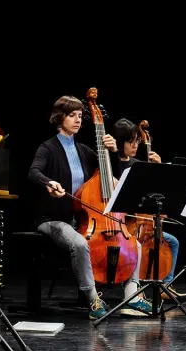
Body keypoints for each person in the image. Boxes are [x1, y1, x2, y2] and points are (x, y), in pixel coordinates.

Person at [27, 95, 153, 320]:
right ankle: (93, 298)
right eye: (71, 115)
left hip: (81, 219)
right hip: (53, 218)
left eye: (79, 116)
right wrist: (49, 182)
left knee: (133, 243)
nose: (77, 120)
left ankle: (132, 297)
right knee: (80, 243)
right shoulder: (48, 148)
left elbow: (111, 173)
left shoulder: (84, 150)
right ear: (59, 117)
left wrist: (113, 152)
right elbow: (33, 172)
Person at [112, 118, 184, 298]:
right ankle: (132, 288)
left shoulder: (137, 165)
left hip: (142, 222)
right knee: (134, 244)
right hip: (122, 222)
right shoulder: (112, 163)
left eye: (137, 141)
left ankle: (165, 285)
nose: (135, 145)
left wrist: (159, 169)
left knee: (172, 242)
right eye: (131, 142)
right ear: (120, 142)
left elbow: (155, 192)